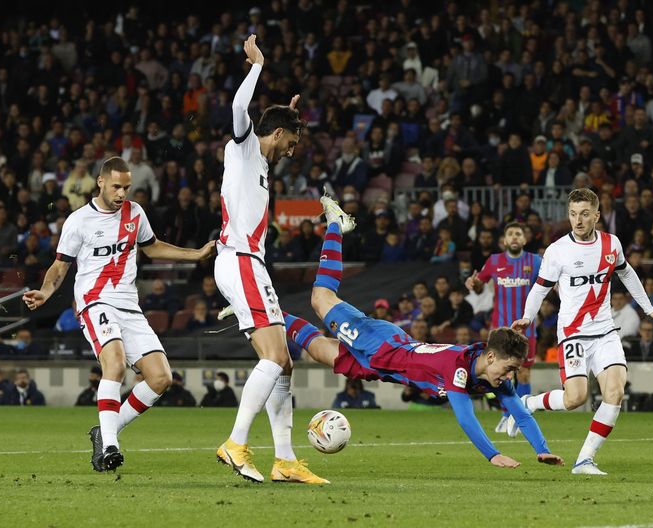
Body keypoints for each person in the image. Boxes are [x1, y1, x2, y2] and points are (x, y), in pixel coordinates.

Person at [280, 195, 564, 469]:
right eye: (509, 368)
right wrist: (493, 455)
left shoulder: (494, 377)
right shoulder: (459, 367)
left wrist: (542, 450)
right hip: (380, 344)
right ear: (491, 357)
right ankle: (335, 224)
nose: (509, 376)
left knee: (318, 351)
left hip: (383, 368)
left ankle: (273, 316)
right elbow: (466, 418)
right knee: (321, 299)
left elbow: (521, 414)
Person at [22, 155, 215, 472]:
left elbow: (152, 246)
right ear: (100, 182)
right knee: (114, 364)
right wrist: (45, 291)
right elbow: (60, 266)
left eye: (126, 187)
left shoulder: (135, 213)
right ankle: (109, 447)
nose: (122, 193)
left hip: (129, 305)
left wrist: (195, 254)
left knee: (161, 378)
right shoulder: (79, 221)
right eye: (116, 187)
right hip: (95, 302)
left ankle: (104, 431)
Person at [212, 35, 329, 485]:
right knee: (276, 356)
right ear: (276, 135)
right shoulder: (242, 148)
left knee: (284, 363)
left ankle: (285, 460)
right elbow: (240, 109)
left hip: (248, 263)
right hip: (240, 260)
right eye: (290, 142)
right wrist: (257, 66)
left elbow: (269, 125)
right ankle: (236, 443)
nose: (292, 151)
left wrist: (287, 114)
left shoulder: (260, 164)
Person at [512, 188, 653, 475]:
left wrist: (649, 309)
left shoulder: (612, 244)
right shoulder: (558, 250)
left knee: (615, 391)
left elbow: (627, 273)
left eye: (585, 214)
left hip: (605, 331)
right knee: (575, 399)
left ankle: (584, 460)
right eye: (573, 214)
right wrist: (527, 317)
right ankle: (529, 403)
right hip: (573, 332)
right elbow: (540, 288)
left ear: (596, 216)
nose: (578, 220)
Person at [465, 222, 541, 434]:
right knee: (499, 373)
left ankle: (521, 418)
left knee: (523, 373)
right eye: (510, 234)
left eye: (518, 233)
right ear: (504, 240)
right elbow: (479, 284)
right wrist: (473, 283)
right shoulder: (494, 261)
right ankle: (507, 414)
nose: (514, 237)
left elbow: (550, 284)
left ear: (524, 239)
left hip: (527, 329)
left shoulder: (536, 261)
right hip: (500, 330)